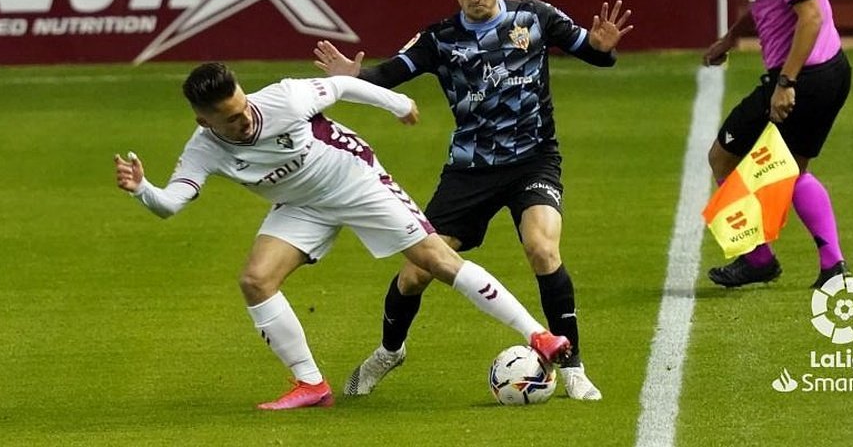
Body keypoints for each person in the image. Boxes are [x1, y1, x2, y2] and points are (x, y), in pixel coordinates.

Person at [113, 62, 571, 410]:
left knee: (435, 260)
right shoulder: (203, 150)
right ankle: (311, 384)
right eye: (231, 120)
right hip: (301, 205)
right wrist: (142, 190)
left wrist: (398, 105)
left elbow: (343, 86)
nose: (245, 120)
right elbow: (172, 202)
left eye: (243, 107)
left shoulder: (284, 99)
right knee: (255, 280)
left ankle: (537, 335)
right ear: (204, 123)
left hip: (353, 179)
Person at [313, 0, 634, 401]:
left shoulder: (534, 17)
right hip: (469, 171)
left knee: (543, 250)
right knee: (416, 273)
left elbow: (594, 53)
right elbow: (390, 73)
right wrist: (354, 75)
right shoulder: (439, 38)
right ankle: (390, 351)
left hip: (534, 161)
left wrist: (603, 48)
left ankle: (573, 367)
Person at [703, 0, 852, 289]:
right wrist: (733, 36)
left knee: (726, 157)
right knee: (790, 170)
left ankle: (760, 257)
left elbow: (810, 18)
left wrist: (785, 83)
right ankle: (830, 265)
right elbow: (770, 2)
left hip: (806, 77)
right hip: (822, 72)